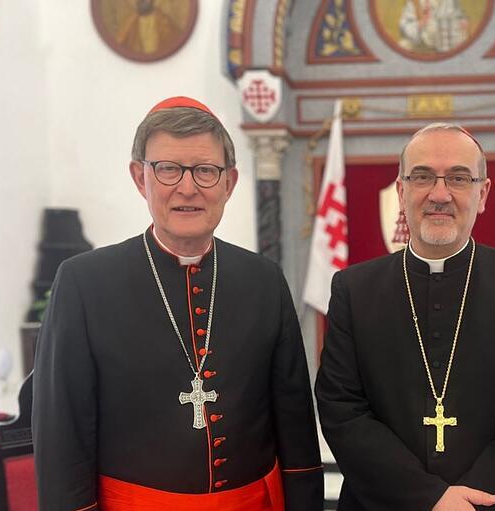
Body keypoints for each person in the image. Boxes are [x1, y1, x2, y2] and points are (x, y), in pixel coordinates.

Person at [33, 96, 323, 511]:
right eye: (168, 169)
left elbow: (295, 423)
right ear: (140, 178)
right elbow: (63, 435)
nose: (188, 188)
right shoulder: (84, 283)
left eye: (206, 170)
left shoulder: (264, 280)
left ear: (229, 182)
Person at [315, 123, 495, 510]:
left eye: (458, 177)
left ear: (482, 193)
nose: (440, 194)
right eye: (422, 177)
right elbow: (341, 409)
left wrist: (468, 502)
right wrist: (428, 498)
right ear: (401, 192)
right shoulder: (354, 289)